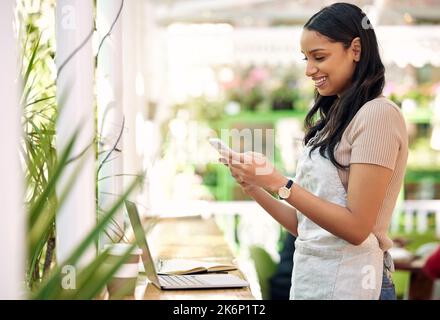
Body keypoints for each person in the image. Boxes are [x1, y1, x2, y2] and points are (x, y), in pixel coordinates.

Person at [220, 2, 408, 299]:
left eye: (319, 57)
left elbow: (358, 228)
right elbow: (305, 227)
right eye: (305, 59)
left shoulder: (378, 116)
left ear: (356, 49)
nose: (309, 70)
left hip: (357, 284)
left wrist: (278, 183)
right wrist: (255, 186)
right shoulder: (334, 120)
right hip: (316, 282)